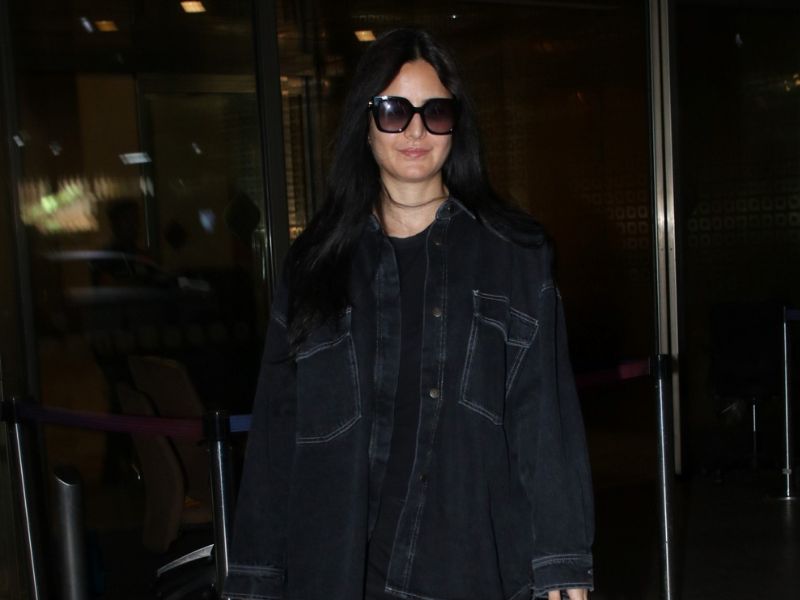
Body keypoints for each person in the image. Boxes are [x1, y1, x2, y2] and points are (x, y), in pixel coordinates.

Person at [224, 28, 594, 600]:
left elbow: (546, 419)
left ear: (456, 125)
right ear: (366, 123)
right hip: (337, 570)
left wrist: (562, 562)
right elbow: (276, 435)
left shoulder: (515, 256)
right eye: (394, 111)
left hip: (467, 568)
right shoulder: (315, 265)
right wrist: (256, 576)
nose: (416, 130)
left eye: (435, 112)